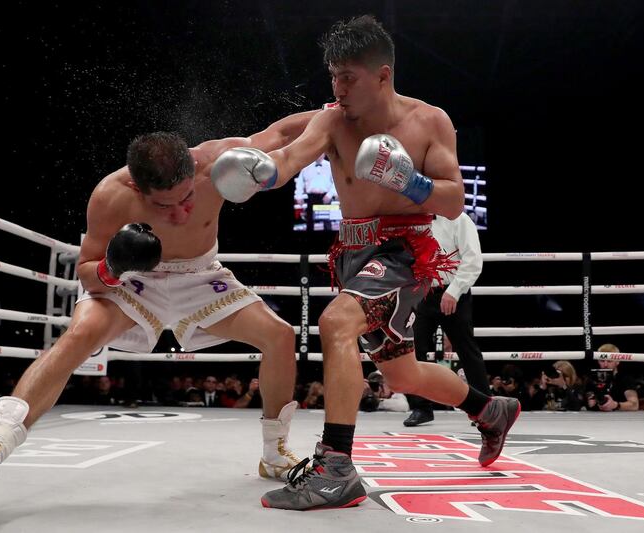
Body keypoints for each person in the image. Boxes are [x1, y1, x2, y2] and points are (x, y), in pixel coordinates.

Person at [0, 109, 319, 515]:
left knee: (280, 335)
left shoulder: (219, 161)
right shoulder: (110, 195)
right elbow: (86, 271)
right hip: (133, 280)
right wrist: (112, 267)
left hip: (199, 276)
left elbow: (280, 132)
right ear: (136, 185)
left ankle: (275, 453)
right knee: (79, 335)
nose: (182, 212)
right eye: (166, 206)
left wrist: (334, 111)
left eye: (186, 198)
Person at [211, 15, 520, 510]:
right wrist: (261, 175)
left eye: (348, 76)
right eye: (333, 75)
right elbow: (291, 159)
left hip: (404, 251)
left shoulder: (428, 121)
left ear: (383, 74)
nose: (338, 87)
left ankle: (336, 467)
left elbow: (455, 200)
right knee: (402, 376)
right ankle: (490, 410)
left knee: (335, 324)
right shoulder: (333, 120)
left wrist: (409, 183)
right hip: (353, 253)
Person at [403, 212, 490, 427]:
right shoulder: (413, 221)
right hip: (421, 293)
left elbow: (472, 259)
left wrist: (454, 291)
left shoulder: (460, 220)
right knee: (414, 349)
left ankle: (484, 409)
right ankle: (421, 407)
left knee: (466, 350)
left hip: (453, 293)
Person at [586, 343, 639, 412]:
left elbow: (634, 405)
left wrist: (615, 405)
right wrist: (591, 401)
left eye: (609, 361)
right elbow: (589, 404)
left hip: (619, 419)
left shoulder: (625, 379)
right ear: (598, 361)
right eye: (602, 361)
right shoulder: (592, 379)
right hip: (595, 419)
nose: (605, 365)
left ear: (617, 361)